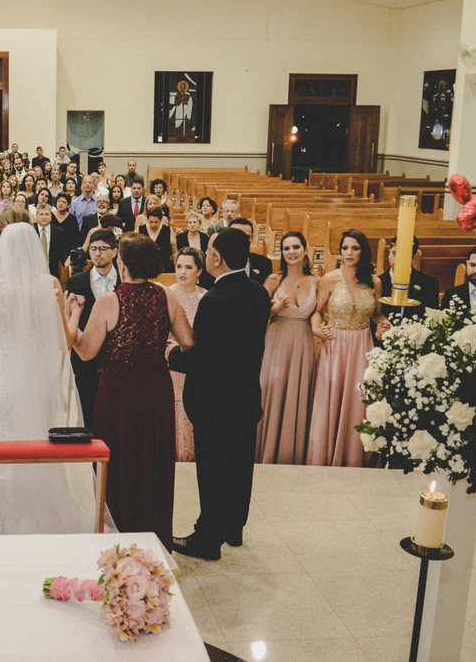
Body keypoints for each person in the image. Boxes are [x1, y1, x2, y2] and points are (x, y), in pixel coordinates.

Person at [0, 221, 99, 534]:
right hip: (39, 380)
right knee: (37, 439)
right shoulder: (50, 285)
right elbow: (64, 343)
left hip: (0, 379)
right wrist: (75, 313)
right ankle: (38, 510)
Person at [68, 232, 195, 553]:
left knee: (119, 465)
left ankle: (118, 542)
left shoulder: (109, 301)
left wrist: (74, 318)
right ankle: (154, 539)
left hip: (118, 395)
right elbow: (189, 342)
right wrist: (163, 350)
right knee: (153, 464)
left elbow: (85, 352)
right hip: (156, 392)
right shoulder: (167, 296)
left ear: (122, 264)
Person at [163, 228, 270, 560]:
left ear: (217, 257)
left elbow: (202, 358)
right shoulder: (259, 293)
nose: (207, 255)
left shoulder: (214, 299)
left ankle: (207, 539)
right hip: (245, 395)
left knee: (212, 470)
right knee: (239, 466)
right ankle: (233, 528)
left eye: (209, 250)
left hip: (214, 401)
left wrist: (171, 354)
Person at [307, 230, 385, 468]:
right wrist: (317, 329)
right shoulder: (329, 279)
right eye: (345, 248)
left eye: (355, 248)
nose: (349, 253)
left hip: (362, 345)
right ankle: (324, 455)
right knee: (331, 398)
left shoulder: (374, 282)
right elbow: (316, 312)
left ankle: (354, 457)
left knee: (359, 400)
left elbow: (377, 314)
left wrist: (383, 324)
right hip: (335, 344)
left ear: (363, 251)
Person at [255, 232, 320, 465]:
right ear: (281, 253)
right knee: (270, 389)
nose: (291, 252)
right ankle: (264, 451)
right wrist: (275, 308)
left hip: (303, 342)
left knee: (297, 392)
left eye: (296, 247)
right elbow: (257, 315)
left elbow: (319, 314)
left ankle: (292, 454)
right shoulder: (273, 280)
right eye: (286, 248)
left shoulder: (317, 281)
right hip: (276, 340)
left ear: (305, 249)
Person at [65, 228, 117, 427]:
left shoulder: (123, 280)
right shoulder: (76, 281)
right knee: (87, 411)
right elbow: (69, 318)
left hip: (116, 356)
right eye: (93, 249)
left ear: (114, 251)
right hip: (85, 359)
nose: (97, 254)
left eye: (103, 249)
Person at [167, 247, 207, 463]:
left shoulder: (206, 297)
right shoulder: (167, 294)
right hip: (171, 364)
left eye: (188, 267)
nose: (182, 272)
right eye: (179, 266)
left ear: (199, 270)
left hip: (195, 367)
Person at [378, 236, 440, 322]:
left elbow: (432, 318)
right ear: (389, 253)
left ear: (413, 258)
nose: (398, 259)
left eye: (404, 255)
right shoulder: (378, 282)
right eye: (394, 253)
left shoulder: (428, 282)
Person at [228, 218, 272, 284]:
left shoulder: (264, 263)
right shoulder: (218, 263)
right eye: (236, 236)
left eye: (246, 237)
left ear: (252, 238)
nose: (241, 241)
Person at [34, 203, 66, 278]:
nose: (44, 217)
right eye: (41, 214)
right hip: (34, 271)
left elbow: (62, 253)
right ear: (36, 216)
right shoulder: (30, 230)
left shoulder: (58, 232)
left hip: (52, 271)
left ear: (51, 216)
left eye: (47, 214)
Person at [141, 207, 176, 273]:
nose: (153, 225)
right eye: (151, 222)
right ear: (147, 219)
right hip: (144, 269)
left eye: (156, 222)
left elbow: (174, 252)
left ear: (161, 220)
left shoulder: (168, 230)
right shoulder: (140, 230)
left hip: (164, 268)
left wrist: (176, 269)